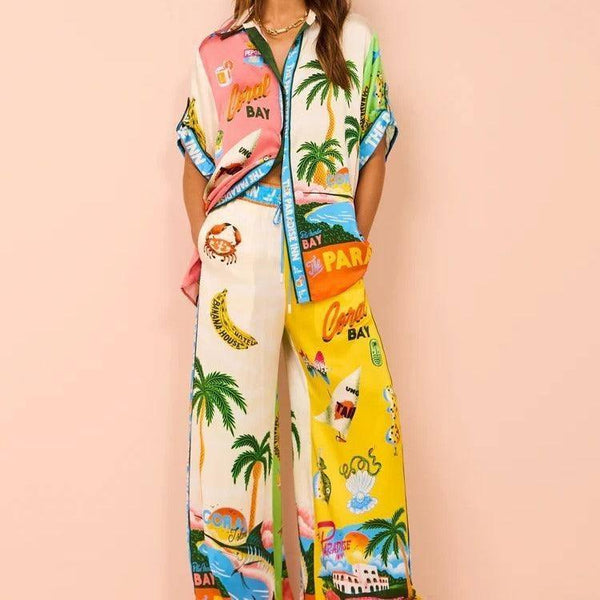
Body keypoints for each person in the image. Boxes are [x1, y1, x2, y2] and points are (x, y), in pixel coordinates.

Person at [175, 1, 421, 599]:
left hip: (327, 257)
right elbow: (196, 161)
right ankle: (239, 586)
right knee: (231, 432)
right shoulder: (218, 51)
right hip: (240, 259)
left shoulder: (354, 42)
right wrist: (213, 254)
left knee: (353, 423)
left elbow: (373, 152)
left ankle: (353, 584)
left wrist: (351, 245)